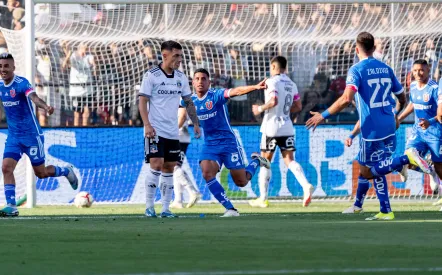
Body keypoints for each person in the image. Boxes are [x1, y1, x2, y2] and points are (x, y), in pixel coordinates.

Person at [306, 32, 431, 221]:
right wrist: (395, 114)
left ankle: (405, 159)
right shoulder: (386, 68)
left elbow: (346, 98)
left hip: (371, 129)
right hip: (389, 124)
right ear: (373, 48)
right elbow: (403, 97)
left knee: (366, 171)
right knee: (377, 167)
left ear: (357, 50)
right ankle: (382, 210)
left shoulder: (356, 70)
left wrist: (323, 115)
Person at [0, 53, 78, 217]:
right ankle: (11, 205)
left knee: (41, 173)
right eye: (1, 66)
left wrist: (45, 107)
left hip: (32, 136)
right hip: (14, 137)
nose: (3, 69)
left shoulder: (21, 83)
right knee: (6, 167)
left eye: (6, 66)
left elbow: (33, 97)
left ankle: (66, 171)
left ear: (13, 68)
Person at [182, 68, 270, 217]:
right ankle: (230, 209)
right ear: (192, 82)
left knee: (241, 182)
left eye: (203, 79)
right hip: (210, 144)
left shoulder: (216, 95)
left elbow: (236, 91)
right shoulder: (190, 100)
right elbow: (186, 108)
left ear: (209, 82)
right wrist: (196, 124)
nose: (200, 82)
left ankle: (256, 161)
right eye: (197, 79)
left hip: (228, 143)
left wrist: (254, 87)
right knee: (206, 173)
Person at [138, 41, 201, 218]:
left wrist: (195, 123)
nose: (179, 59)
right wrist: (147, 124)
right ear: (165, 56)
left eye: (180, 56)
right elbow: (142, 101)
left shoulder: (181, 78)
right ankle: (149, 207)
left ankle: (166, 209)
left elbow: (188, 102)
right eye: (176, 56)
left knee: (169, 168)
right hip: (155, 130)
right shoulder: (152, 75)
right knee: (156, 165)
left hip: (173, 131)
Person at [249, 56, 314, 208]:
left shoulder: (271, 81)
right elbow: (298, 106)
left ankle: (263, 198)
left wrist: (259, 109)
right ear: (285, 67)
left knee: (265, 161)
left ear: (273, 66)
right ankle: (305, 186)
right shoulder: (292, 84)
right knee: (289, 160)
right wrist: (284, 113)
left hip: (271, 127)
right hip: (287, 126)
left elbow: (273, 101)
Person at [396, 59, 442, 198]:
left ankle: (434, 172)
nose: (418, 73)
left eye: (421, 70)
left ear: (428, 70)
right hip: (418, 131)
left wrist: (430, 121)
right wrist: (399, 118)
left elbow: (441, 113)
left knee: (439, 167)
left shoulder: (434, 88)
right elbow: (413, 104)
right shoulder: (414, 86)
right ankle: (430, 171)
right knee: (409, 159)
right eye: (415, 70)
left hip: (435, 133)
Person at [170, 107, 202, 209]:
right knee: (175, 168)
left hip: (177, 136)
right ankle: (178, 200)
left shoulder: (178, 96)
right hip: (181, 135)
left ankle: (192, 191)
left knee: (173, 167)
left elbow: (183, 115)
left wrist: (172, 131)